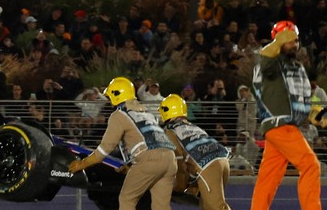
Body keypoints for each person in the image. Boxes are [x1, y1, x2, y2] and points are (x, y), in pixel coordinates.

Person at [250, 20, 327, 210]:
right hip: (281, 125)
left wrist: (319, 113)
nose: (294, 44)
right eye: (288, 40)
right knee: (311, 165)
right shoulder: (269, 62)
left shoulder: (297, 67)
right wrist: (275, 44)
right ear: (278, 41)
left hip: (282, 128)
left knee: (268, 178)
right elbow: (263, 64)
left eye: (296, 40)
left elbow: (305, 97)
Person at [68, 76, 177, 210]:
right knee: (161, 206)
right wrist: (130, 164)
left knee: (127, 200)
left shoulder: (119, 116)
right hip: (170, 159)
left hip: (148, 160)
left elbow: (103, 151)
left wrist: (82, 164)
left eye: (109, 97)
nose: (108, 101)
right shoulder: (146, 113)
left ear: (116, 95)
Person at [160, 94, 231, 210]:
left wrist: (179, 187)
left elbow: (180, 162)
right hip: (223, 159)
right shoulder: (193, 127)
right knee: (207, 206)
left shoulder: (170, 131)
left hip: (207, 165)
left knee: (216, 207)